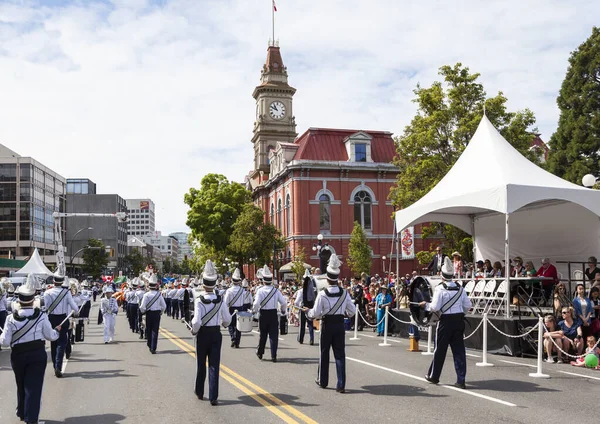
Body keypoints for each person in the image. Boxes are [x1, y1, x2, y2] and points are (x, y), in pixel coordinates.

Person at [0, 276, 60, 424]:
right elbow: (51, 336)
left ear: (18, 300)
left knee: (20, 383)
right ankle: (31, 418)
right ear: (33, 299)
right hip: (37, 354)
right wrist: (57, 331)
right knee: (33, 386)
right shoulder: (41, 315)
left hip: (18, 355)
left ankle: (21, 412)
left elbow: (5, 342)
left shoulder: (10, 319)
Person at [305, 254, 356, 393]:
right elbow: (352, 311)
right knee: (340, 355)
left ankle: (323, 380)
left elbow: (315, 313)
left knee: (324, 353)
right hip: (339, 325)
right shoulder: (345, 293)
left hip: (327, 325)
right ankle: (341, 384)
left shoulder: (322, 294)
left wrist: (307, 312)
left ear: (327, 278)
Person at [420, 256, 472, 389]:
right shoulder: (460, 289)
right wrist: (461, 313)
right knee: (459, 351)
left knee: (440, 350)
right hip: (459, 320)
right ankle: (461, 380)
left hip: (446, 322)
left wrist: (425, 305)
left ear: (442, 275)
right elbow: (468, 305)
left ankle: (434, 376)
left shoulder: (440, 288)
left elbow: (435, 307)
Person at [191, 260, 232, 406]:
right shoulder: (220, 300)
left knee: (201, 364)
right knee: (214, 364)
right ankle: (214, 396)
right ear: (215, 284)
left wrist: (193, 330)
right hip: (216, 334)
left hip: (202, 334)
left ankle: (200, 392)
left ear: (203, 284)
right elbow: (227, 320)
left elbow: (196, 322)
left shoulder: (199, 300)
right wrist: (223, 323)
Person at [43, 274, 79, 378]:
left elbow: (45, 308)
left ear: (53, 282)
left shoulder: (47, 293)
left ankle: (55, 366)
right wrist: (76, 311)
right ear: (62, 282)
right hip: (63, 319)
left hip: (51, 319)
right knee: (62, 342)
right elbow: (74, 307)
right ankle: (58, 366)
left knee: (53, 342)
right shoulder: (66, 292)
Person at [252, 265, 287, 362]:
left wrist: (254, 311)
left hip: (263, 314)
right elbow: (283, 302)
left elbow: (256, 304)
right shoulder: (276, 291)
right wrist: (283, 311)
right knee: (274, 335)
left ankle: (260, 352)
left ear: (263, 280)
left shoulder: (260, 291)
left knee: (263, 335)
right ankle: (274, 355)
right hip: (273, 314)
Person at [139, 273, 166, 354]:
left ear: (149, 285)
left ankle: (149, 344)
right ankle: (153, 347)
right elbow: (164, 306)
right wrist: (160, 312)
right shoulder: (159, 295)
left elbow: (142, 307)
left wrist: (143, 312)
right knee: (155, 330)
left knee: (149, 329)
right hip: (157, 314)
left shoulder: (146, 295)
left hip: (149, 313)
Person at [224, 268, 246, 348]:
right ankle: (237, 342)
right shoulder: (242, 290)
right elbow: (243, 300)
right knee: (239, 326)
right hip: (240, 309)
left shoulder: (229, 290)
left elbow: (226, 302)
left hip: (231, 309)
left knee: (231, 325)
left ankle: (233, 338)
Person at [295, 269, 316, 345]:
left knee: (302, 324)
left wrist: (297, 308)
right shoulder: (312, 290)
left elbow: (296, 302)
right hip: (310, 308)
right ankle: (311, 339)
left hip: (303, 308)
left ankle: (301, 339)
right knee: (310, 324)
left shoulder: (301, 291)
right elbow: (314, 299)